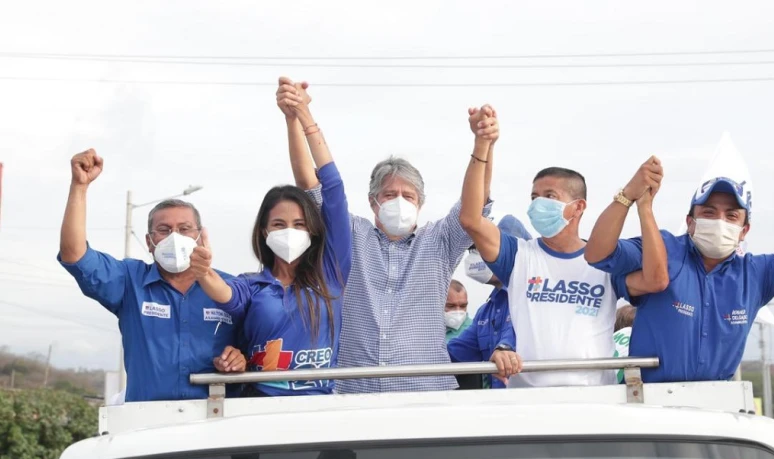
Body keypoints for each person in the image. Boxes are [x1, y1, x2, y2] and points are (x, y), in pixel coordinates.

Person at [281, 78, 495, 393]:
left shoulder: (439, 241)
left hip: (426, 393)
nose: (399, 201)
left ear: (420, 204)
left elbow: (474, 205)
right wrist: (295, 116)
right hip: (354, 391)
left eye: (408, 196)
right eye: (390, 193)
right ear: (373, 201)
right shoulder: (350, 234)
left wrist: (484, 144)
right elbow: (309, 184)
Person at [459, 106, 667, 388]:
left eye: (549, 196)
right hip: (529, 403)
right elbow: (472, 219)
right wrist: (483, 144)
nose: (537, 204)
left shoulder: (605, 264)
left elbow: (656, 281)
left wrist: (642, 206)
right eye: (534, 197)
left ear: (578, 206)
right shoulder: (518, 256)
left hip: (594, 402)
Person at [189, 81, 352, 397]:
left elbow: (333, 187)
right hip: (260, 408)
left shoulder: (331, 273)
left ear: (313, 231)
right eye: (278, 223)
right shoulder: (251, 286)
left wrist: (301, 116)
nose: (289, 231)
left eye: (298, 224)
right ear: (264, 231)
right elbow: (224, 294)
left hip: (319, 408)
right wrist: (204, 271)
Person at [586, 159, 774, 383]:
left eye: (731, 216)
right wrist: (627, 196)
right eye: (709, 213)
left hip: (716, 404)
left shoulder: (758, 273)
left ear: (744, 231)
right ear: (690, 222)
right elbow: (598, 253)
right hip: (648, 403)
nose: (720, 221)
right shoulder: (661, 249)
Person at [58, 149, 246, 402]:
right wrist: (79, 186)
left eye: (185, 229)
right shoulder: (129, 281)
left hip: (216, 420)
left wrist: (240, 359)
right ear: (149, 241)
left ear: (200, 237)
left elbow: (259, 346)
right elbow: (74, 254)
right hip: (147, 423)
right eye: (164, 230)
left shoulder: (232, 288)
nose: (175, 236)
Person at [448, 214, 530, 389]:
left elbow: (516, 333)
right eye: (475, 249)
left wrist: (505, 349)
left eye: (483, 247)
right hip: (500, 407)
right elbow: (455, 353)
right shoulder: (487, 311)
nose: (479, 255)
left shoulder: (531, 301)